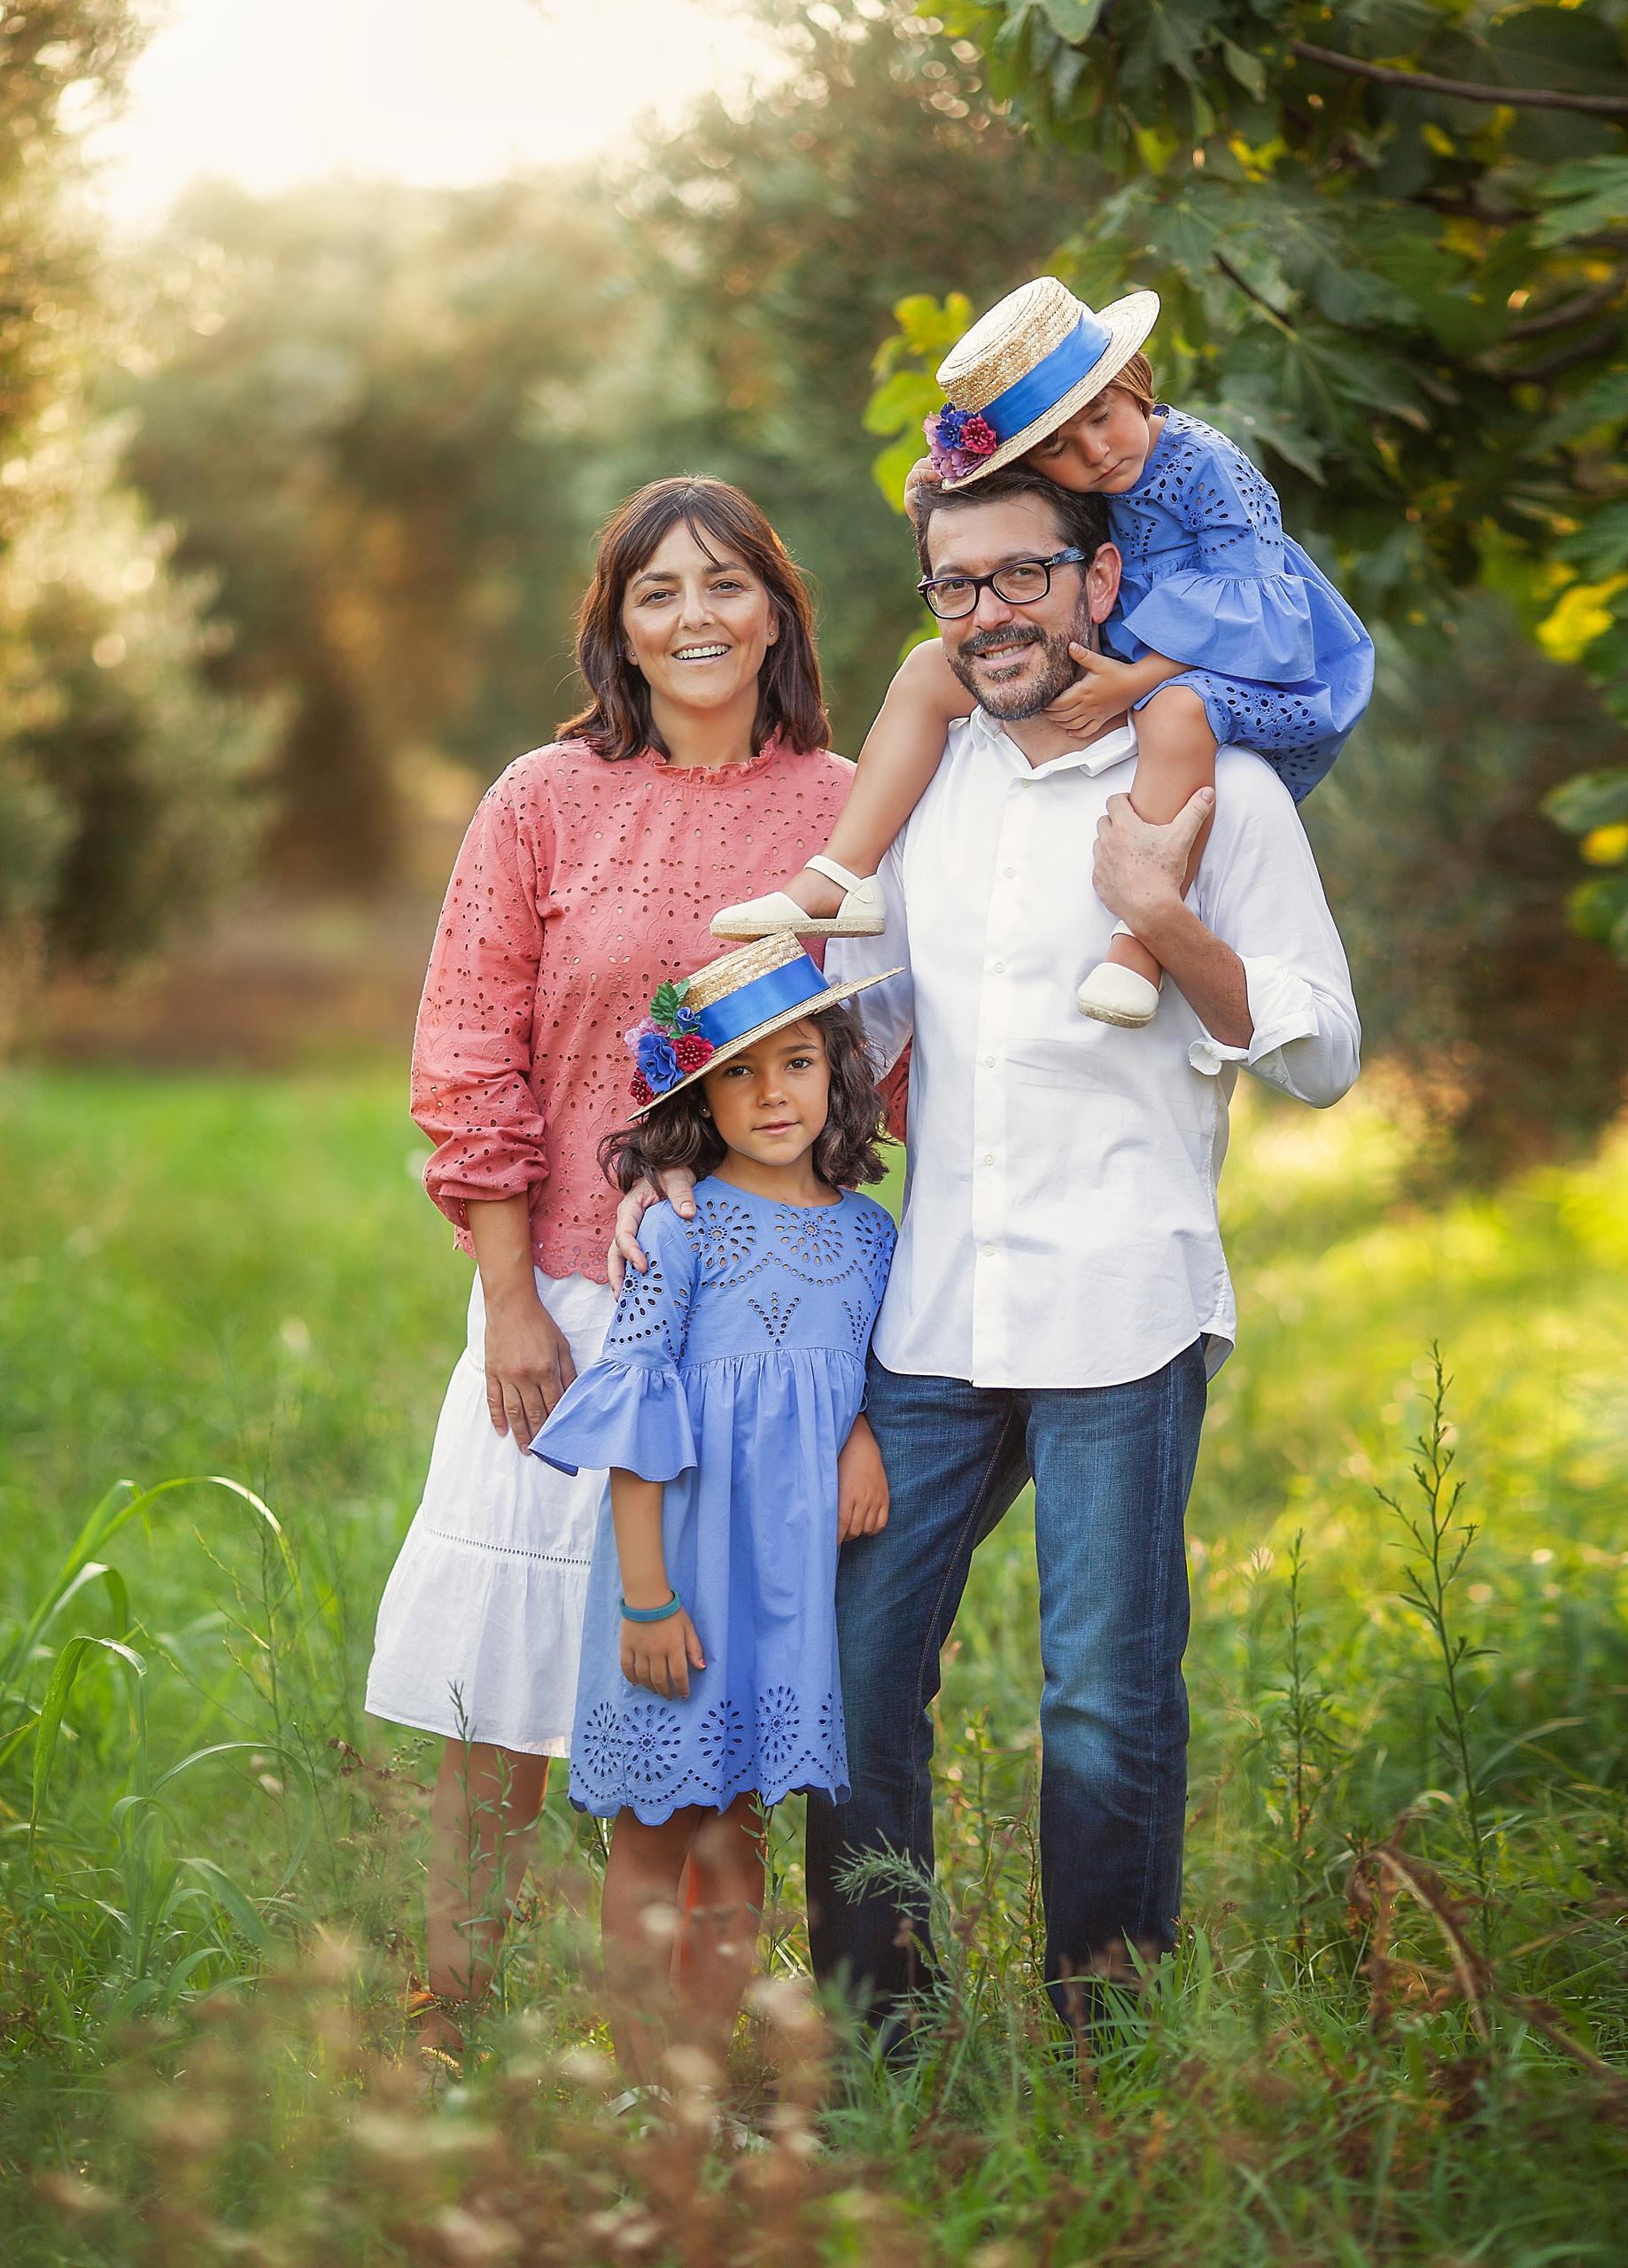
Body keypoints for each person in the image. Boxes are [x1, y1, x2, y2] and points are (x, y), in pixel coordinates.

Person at [615, 461, 1361, 2036]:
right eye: (959, 586)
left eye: (1024, 576)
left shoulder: (1217, 786)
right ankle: (891, 2035)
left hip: (1123, 1306)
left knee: (1101, 1695)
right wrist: (669, 1164)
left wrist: (1167, 928)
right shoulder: (922, 797)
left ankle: (1108, 2047)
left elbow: (1321, 1053)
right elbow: (838, 1033)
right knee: (860, 1670)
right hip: (935, 1313)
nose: (991, 614)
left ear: (1098, 583)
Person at [361, 477, 890, 2066]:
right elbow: (469, 1050)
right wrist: (512, 1295)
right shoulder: (543, 799)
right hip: (568, 1296)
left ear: (779, 610)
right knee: (499, 1680)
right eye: (658, 591)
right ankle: (450, 2022)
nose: (698, 616)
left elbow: (890, 1051)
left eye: (728, 583)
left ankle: (676, 2054)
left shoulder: (849, 806)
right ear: (618, 627)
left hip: (761, 1312)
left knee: (702, 1690)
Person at [712, 276, 1373, 1032]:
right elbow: (988, 515)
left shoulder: (1206, 467)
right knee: (930, 670)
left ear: (1135, 385)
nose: (1094, 452)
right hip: (1127, 639)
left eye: (1104, 418)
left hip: (1238, 659)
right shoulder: (1077, 484)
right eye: (1057, 446)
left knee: (1175, 717)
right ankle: (843, 874)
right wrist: (937, 481)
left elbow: (1258, 609)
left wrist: (1135, 681)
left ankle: (1138, 945)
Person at [530, 932, 899, 2082]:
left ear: (838, 1068)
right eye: (736, 1071)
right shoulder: (681, 1231)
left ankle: (699, 2068)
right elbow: (638, 1424)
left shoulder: (869, 1237)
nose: (770, 1093)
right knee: (651, 1832)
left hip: (781, 1595)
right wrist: (645, 1600)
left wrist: (855, 1434)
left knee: (737, 1832)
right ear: (700, 1094)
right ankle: (639, 2086)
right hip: (679, 1577)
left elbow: (845, 1371)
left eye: (794, 1062)